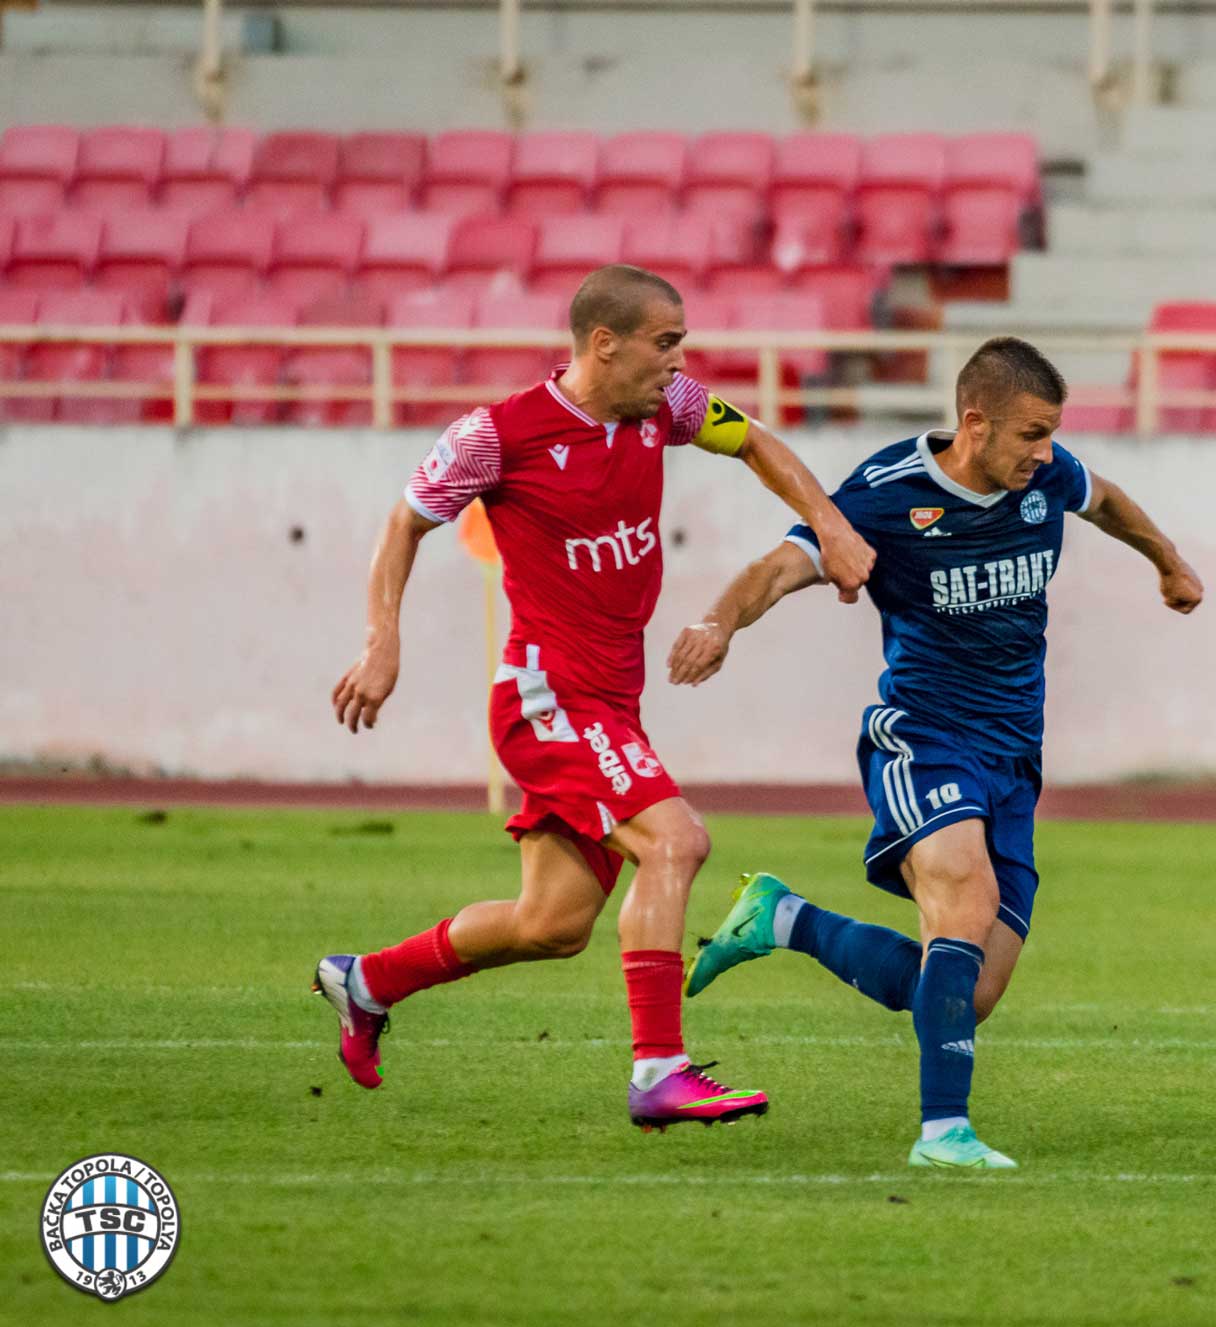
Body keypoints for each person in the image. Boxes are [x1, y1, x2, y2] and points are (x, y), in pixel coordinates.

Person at [316, 264, 875, 1131]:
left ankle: (368, 981)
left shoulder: (671, 409)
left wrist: (832, 527)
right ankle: (659, 1071)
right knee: (677, 842)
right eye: (665, 342)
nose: (678, 361)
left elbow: (760, 442)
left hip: (612, 700)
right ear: (603, 343)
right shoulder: (497, 436)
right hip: (547, 696)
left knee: (552, 924)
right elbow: (404, 523)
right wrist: (382, 641)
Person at [664, 337, 1204, 1168]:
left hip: (1014, 758)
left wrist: (1168, 561)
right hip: (922, 738)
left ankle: (783, 917)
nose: (1045, 452)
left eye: (1053, 433)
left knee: (967, 992)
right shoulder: (886, 495)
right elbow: (780, 567)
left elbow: (1106, 501)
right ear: (975, 422)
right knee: (965, 901)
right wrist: (718, 622)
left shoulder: (1045, 478)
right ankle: (943, 1133)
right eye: (1030, 433)